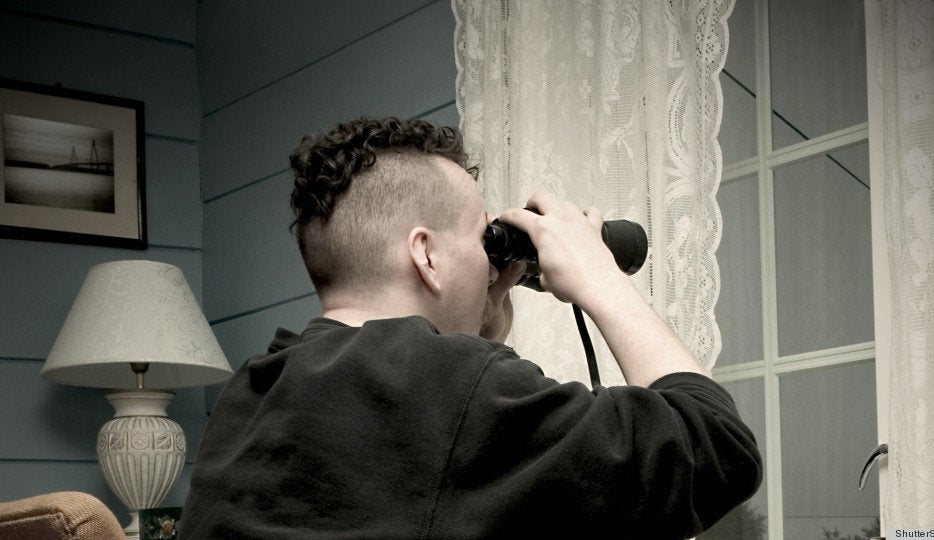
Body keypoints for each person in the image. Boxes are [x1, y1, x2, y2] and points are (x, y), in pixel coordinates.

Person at [180, 117, 762, 539]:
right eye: (483, 236)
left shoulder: (252, 392)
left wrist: (481, 321)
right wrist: (600, 277)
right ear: (426, 255)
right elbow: (716, 451)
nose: (492, 262)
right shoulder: (444, 382)